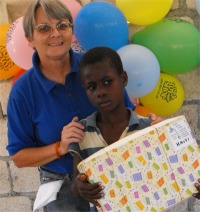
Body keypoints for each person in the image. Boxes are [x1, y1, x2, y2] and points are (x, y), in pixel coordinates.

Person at [6, 0, 162, 211]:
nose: (55, 34)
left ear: (72, 30)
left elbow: (127, 116)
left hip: (118, 175)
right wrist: (59, 148)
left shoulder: (95, 68)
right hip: (63, 189)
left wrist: (150, 128)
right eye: (44, 28)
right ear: (30, 39)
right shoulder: (23, 91)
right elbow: (19, 157)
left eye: (62, 25)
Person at [69, 47, 200, 211]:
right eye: (92, 87)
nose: (100, 92)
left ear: (123, 78)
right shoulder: (81, 132)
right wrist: (80, 188)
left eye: (107, 82)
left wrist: (194, 184)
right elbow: (76, 183)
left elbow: (177, 173)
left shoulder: (150, 129)